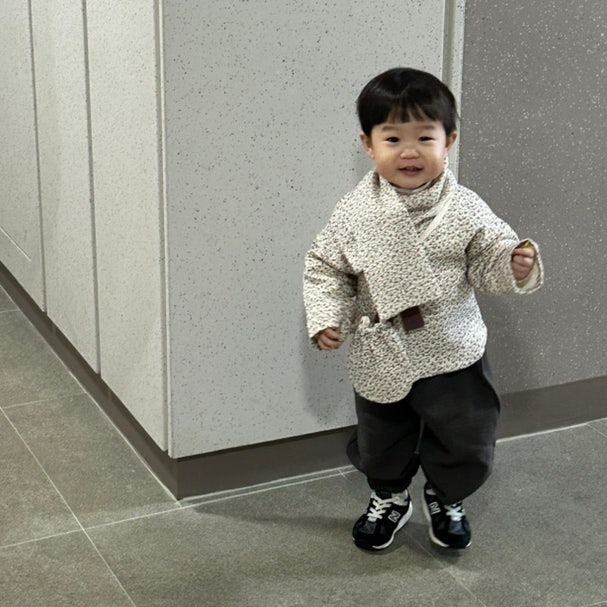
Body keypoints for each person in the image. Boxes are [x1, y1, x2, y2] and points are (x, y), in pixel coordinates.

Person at [303, 67, 543, 551]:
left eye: (424, 138)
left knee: (466, 435)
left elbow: (488, 256)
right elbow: (327, 267)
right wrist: (328, 317)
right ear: (368, 145)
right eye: (393, 138)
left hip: (451, 346)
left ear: (448, 141)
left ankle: (446, 494)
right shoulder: (354, 211)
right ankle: (390, 496)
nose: (409, 152)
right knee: (380, 438)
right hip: (383, 349)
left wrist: (511, 263)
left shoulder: (465, 208)